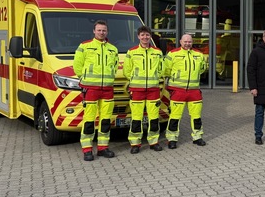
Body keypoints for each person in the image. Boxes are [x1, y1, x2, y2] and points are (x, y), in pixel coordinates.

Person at [73, 20, 119, 161]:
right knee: (89, 120)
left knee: (105, 120)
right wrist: (85, 79)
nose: (101, 32)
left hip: (107, 89)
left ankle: (102, 148)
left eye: (104, 30)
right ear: (94, 31)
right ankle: (87, 149)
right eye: (99, 30)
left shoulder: (113, 49)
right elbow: (77, 66)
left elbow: (115, 67)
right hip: (91, 88)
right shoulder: (85, 46)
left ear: (107, 32)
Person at [163, 33, 208, 148]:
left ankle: (197, 137)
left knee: (196, 116)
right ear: (180, 42)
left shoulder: (199, 54)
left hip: (194, 91)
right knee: (175, 116)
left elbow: (202, 69)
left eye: (189, 42)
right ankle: (172, 139)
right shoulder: (172, 54)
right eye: (185, 42)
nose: (187, 44)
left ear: (192, 42)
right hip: (178, 91)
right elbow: (165, 70)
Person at [123, 25, 164, 154]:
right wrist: (135, 79)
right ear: (138, 36)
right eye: (142, 35)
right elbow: (126, 70)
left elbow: (162, 69)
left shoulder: (157, 52)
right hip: (137, 90)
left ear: (150, 36)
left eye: (147, 35)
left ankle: (154, 142)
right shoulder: (132, 51)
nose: (145, 37)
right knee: (136, 118)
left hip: (153, 89)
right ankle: (135, 143)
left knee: (153, 118)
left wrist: (156, 77)